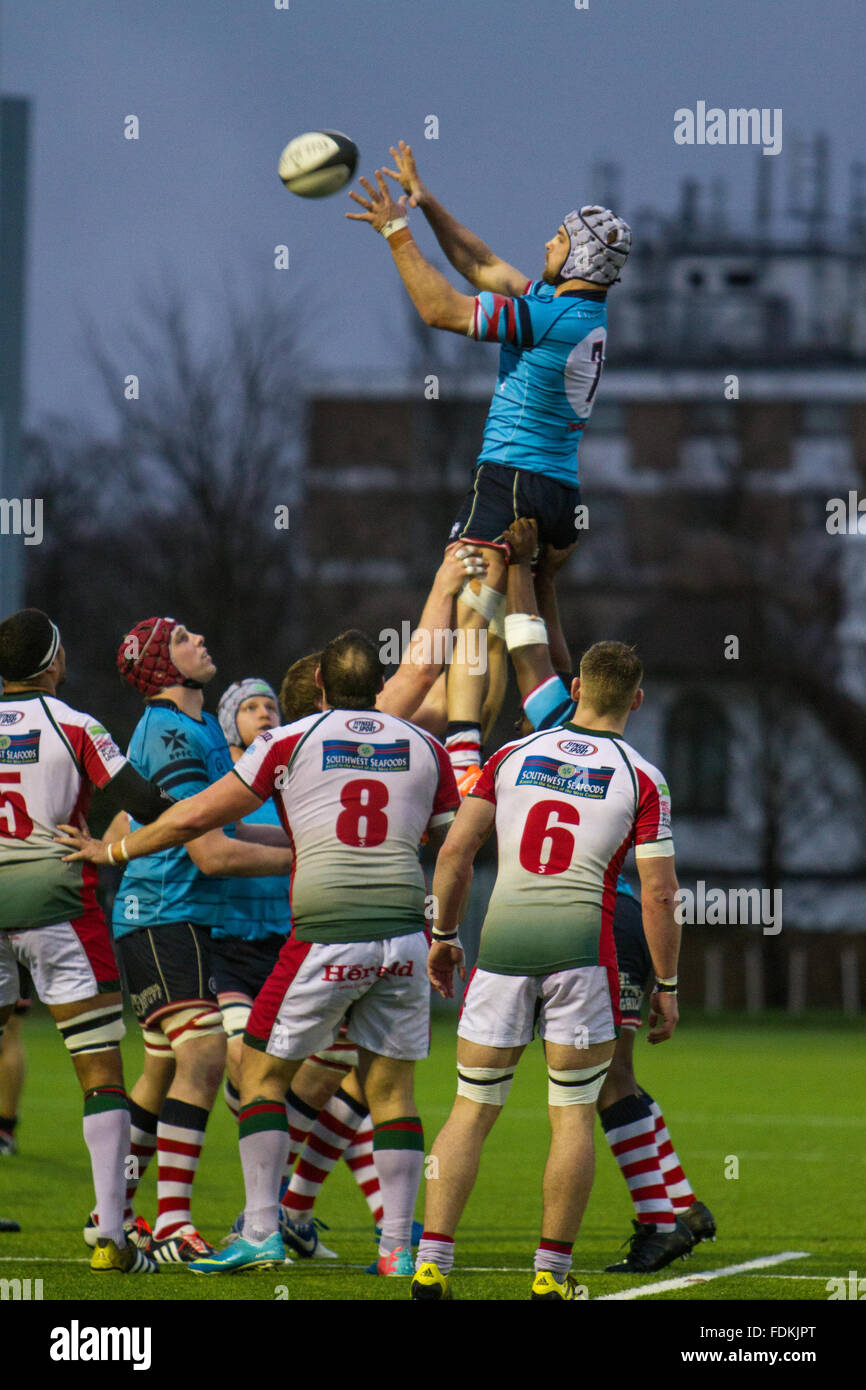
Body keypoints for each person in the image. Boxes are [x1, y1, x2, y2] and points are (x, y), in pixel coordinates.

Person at [58, 629, 461, 1278]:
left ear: (321, 688)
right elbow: (458, 849)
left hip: (324, 934)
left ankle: (262, 1231)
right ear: (377, 685)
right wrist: (448, 936)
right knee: (392, 1092)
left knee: (263, 1079)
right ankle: (397, 1251)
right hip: (406, 938)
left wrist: (117, 850)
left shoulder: (289, 742)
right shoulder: (424, 746)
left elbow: (194, 819)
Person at [347, 142, 631, 794]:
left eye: (559, 238)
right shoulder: (580, 310)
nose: (547, 243)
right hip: (559, 493)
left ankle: (413, 753)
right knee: (525, 631)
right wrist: (428, 204)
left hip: (512, 481)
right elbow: (480, 264)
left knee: (452, 627)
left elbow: (440, 309)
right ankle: (562, 741)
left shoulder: (547, 315)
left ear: (580, 254)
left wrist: (396, 232)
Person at [410, 641, 681, 1300]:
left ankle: (431, 1264)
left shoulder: (512, 754)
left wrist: (444, 936)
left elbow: (454, 852)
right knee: (571, 1117)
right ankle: (550, 1276)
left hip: (501, 952)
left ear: (578, 691)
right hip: (582, 961)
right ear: (636, 701)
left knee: (471, 1109)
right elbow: (659, 896)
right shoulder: (642, 777)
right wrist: (667, 986)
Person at [503, 517, 716, 1270]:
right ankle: (679, 1204)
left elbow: (529, 651)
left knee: (600, 1083)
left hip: (590, 920)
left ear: (579, 692)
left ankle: (666, 1218)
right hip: (618, 915)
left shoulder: (544, 735)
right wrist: (544, 579)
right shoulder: (633, 763)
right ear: (636, 697)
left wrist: (523, 571)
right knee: (613, 1077)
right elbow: (547, 654)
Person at [99, 617, 293, 1265]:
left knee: (161, 1067)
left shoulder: (201, 726)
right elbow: (212, 855)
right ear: (162, 666)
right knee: (206, 1054)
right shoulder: (175, 729)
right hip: (161, 913)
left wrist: (307, 847)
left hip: (176, 916)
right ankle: (174, 1221)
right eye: (183, 638)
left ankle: (113, 1212)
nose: (201, 640)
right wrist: (304, 861)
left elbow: (214, 831)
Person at [0, 607, 180, 1274]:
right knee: (100, 1071)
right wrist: (114, 840)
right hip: (58, 908)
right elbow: (146, 798)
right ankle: (112, 1234)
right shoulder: (74, 724)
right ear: (50, 662)